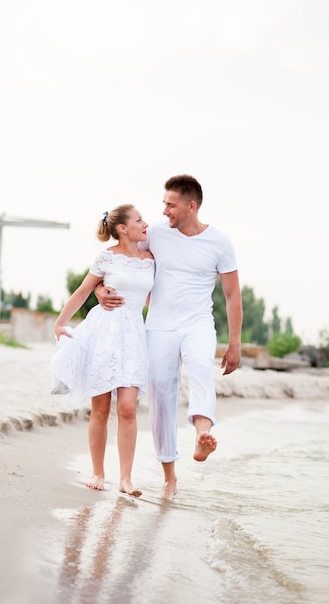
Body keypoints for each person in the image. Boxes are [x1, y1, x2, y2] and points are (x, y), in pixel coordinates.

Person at [95, 175, 242, 500]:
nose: (164, 211)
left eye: (170, 205)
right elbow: (117, 256)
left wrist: (235, 343)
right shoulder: (155, 234)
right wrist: (99, 289)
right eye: (163, 204)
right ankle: (169, 476)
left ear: (191, 206)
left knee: (202, 367)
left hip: (198, 324)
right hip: (159, 326)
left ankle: (203, 435)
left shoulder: (220, 242)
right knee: (162, 397)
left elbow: (233, 295)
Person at [48, 204, 154, 497]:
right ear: (122, 228)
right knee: (102, 407)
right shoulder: (106, 257)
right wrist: (60, 322)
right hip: (104, 334)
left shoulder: (150, 258)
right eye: (139, 220)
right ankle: (98, 472)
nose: (145, 223)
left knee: (128, 407)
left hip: (134, 336)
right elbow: (84, 290)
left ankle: (126, 479)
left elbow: (154, 298)